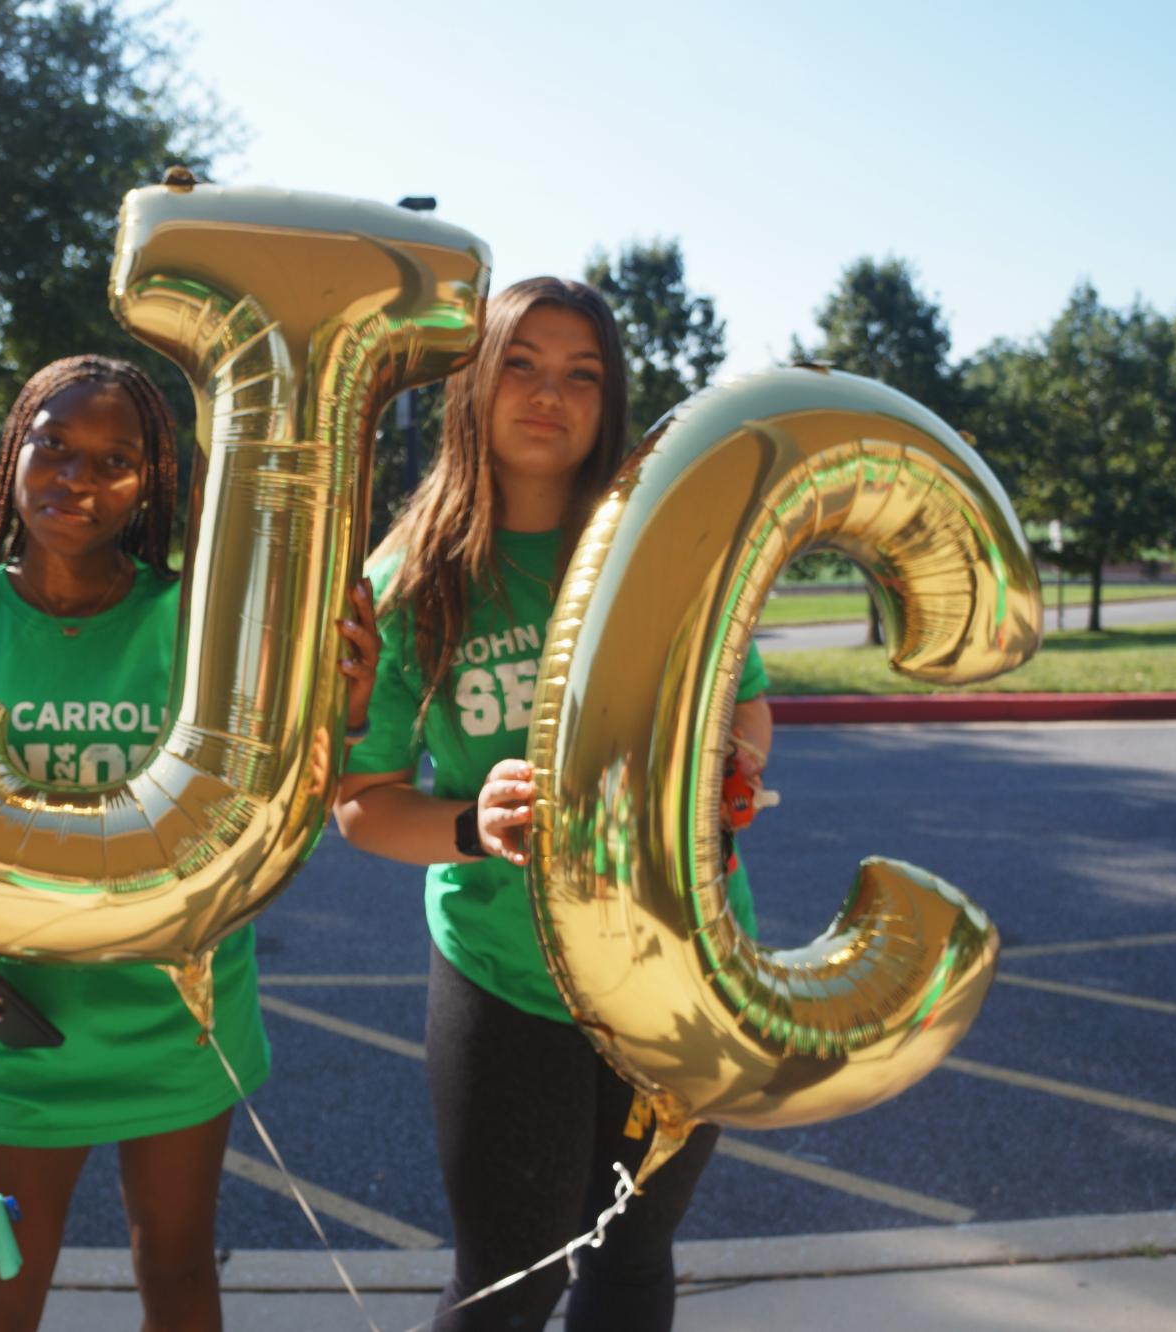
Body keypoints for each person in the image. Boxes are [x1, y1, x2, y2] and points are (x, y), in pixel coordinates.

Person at [0, 353, 380, 1332]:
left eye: (116, 459)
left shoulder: (202, 627)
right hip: (20, 1027)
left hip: (178, 1015)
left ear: (153, 482)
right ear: (13, 450)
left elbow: (263, 816)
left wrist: (339, 716)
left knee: (181, 1271)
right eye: (55, 445)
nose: (78, 477)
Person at [333, 278, 773, 1330]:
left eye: (583, 374)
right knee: (509, 1281)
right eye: (522, 364)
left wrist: (728, 778)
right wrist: (471, 827)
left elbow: (747, 706)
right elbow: (362, 805)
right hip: (508, 973)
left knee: (631, 1265)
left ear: (609, 403)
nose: (549, 395)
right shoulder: (410, 582)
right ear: (474, 385)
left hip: (684, 960)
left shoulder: (659, 546)